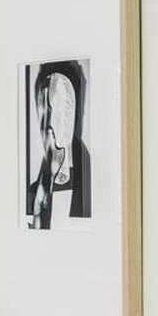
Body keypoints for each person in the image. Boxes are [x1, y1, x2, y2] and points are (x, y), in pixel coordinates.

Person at [26, 62, 92, 228]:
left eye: (61, 112)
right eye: (44, 114)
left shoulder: (92, 182)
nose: (49, 128)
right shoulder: (33, 190)